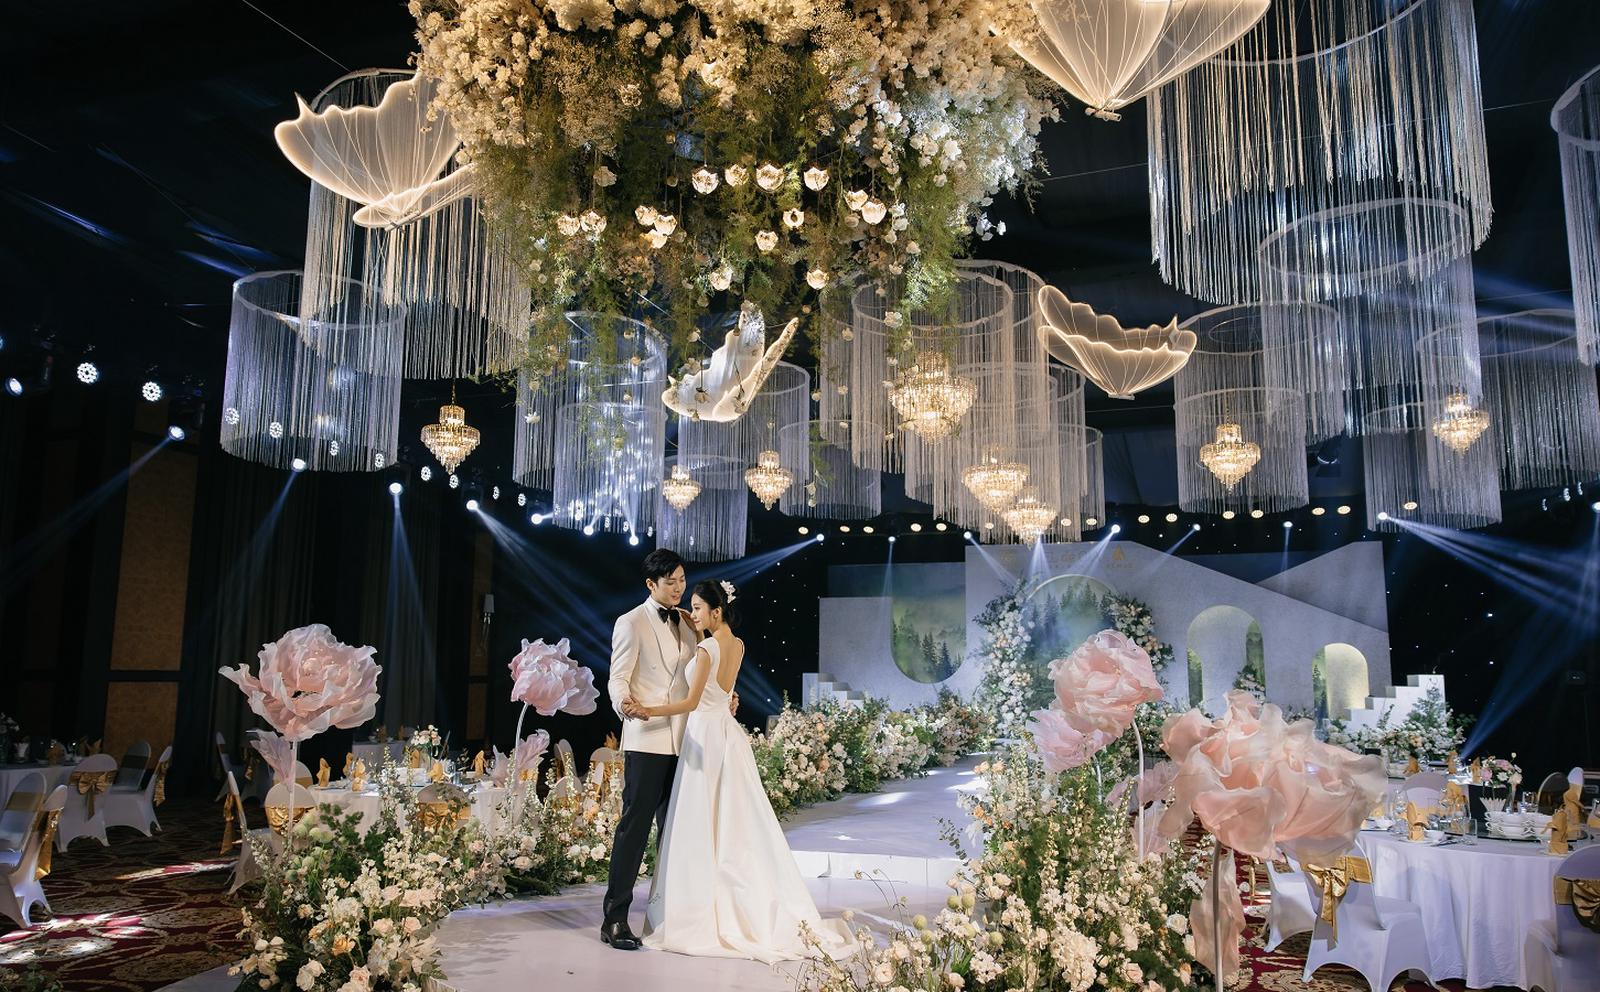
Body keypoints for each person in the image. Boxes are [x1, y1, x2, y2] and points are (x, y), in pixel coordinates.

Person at [628, 579, 855, 963]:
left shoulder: (706, 649)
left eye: (697, 608)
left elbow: (691, 702)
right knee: (732, 821)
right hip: (727, 735)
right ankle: (729, 899)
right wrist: (696, 625)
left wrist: (648, 710)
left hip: (704, 734)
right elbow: (719, 689)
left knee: (702, 821)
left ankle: (702, 908)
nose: (692, 613)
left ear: (716, 611)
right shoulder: (738, 644)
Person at [600, 549, 698, 951]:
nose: (678, 588)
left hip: (685, 737)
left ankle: (672, 915)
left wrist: (724, 696)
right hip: (647, 737)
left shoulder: (689, 623)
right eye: (670, 582)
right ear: (650, 584)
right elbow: (618, 676)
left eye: (682, 580)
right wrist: (623, 703)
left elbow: (697, 675)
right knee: (635, 828)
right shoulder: (631, 622)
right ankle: (615, 918)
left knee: (677, 829)